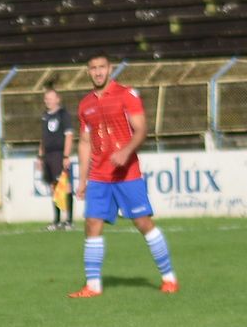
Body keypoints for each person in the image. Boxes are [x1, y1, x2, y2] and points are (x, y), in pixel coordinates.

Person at [71, 54, 178, 298]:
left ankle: (169, 278)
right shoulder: (85, 104)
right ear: (88, 72)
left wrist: (126, 151)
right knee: (92, 223)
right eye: (93, 68)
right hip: (99, 176)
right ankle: (93, 285)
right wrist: (82, 179)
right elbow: (85, 142)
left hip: (127, 173)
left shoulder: (126, 95)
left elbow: (141, 130)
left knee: (143, 223)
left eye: (102, 67)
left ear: (110, 69)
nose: (98, 72)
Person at [39, 89, 75, 229]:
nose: (48, 101)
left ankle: (69, 220)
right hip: (48, 155)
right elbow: (43, 137)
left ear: (57, 99)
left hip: (59, 154)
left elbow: (69, 136)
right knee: (53, 186)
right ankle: (57, 220)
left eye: (50, 98)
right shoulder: (45, 116)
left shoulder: (63, 114)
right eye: (46, 98)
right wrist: (40, 156)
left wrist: (66, 155)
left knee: (65, 185)